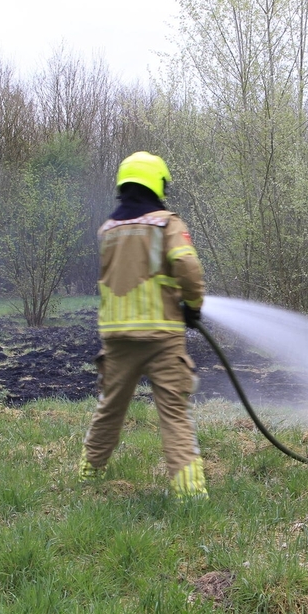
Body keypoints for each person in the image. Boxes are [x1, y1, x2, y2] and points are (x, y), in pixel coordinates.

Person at [79, 151, 209, 500]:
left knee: (110, 408)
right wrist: (193, 306)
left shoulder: (107, 230)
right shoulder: (167, 224)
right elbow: (188, 268)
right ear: (157, 183)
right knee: (174, 414)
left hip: (117, 337)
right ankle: (190, 495)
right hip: (161, 336)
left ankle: (90, 473)